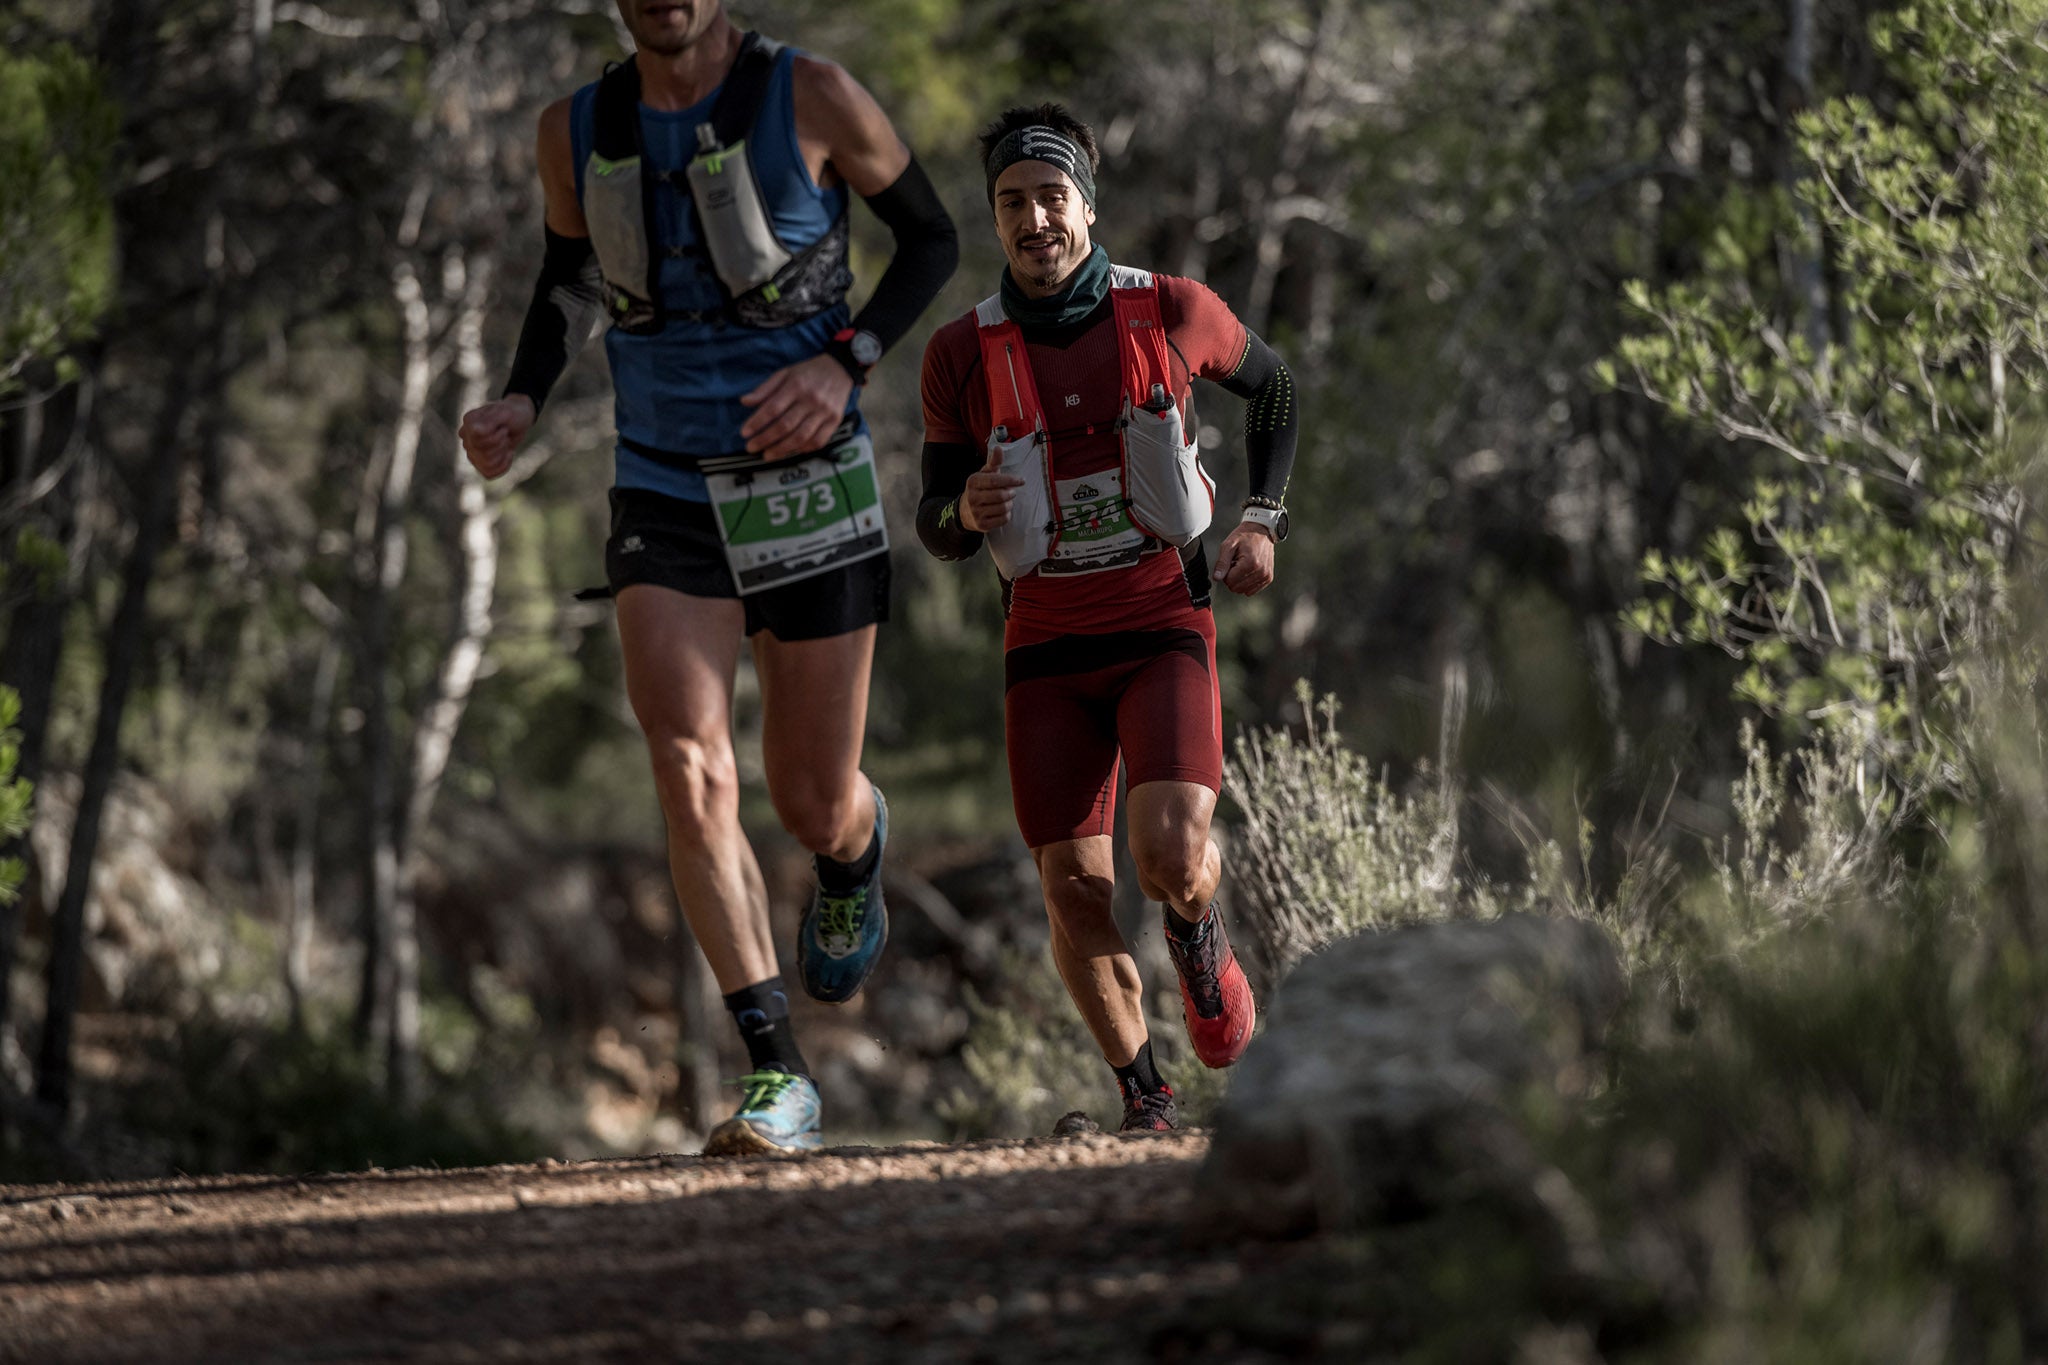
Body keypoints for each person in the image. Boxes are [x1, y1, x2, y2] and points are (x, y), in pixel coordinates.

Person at [458, 0, 957, 1155]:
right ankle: (777, 1075)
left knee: (806, 799)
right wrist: (524, 393)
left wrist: (848, 365)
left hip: (806, 479)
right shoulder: (572, 128)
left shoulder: (814, 94)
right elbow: (571, 276)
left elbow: (927, 237)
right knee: (689, 767)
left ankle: (853, 847)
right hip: (663, 484)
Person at [916, 105, 1297, 1133]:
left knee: (1169, 857)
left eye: (1050, 197)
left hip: (1158, 620)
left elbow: (1276, 388)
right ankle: (1144, 1099)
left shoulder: (1169, 308)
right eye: (1011, 203)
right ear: (995, 220)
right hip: (1042, 644)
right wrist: (961, 511)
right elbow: (934, 524)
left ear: (1086, 203)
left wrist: (1260, 519)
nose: (1033, 219)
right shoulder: (959, 353)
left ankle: (1197, 934)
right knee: (1070, 889)